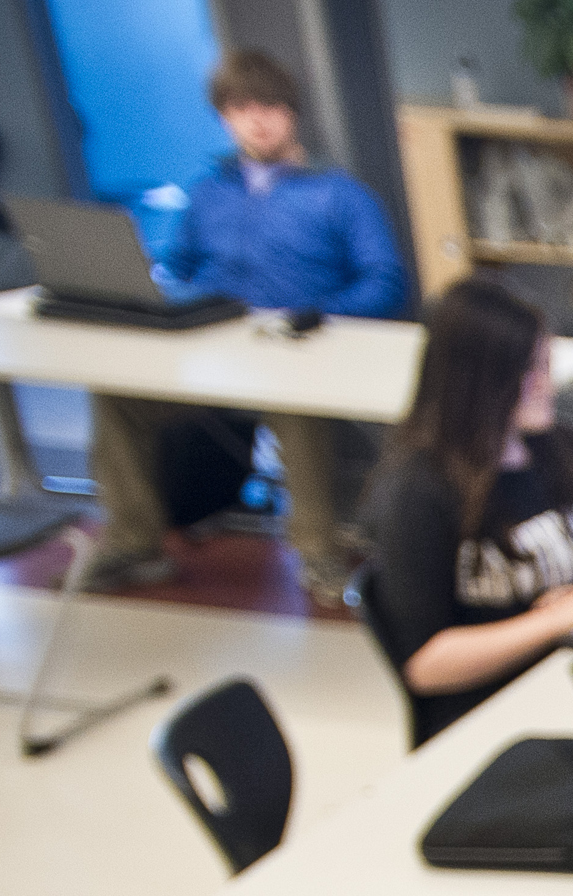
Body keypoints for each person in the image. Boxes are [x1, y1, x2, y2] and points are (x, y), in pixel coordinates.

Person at [80, 48, 409, 606]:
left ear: (293, 113)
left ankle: (318, 552)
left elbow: (385, 280)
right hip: (214, 353)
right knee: (118, 394)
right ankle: (135, 541)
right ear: (225, 116)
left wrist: (324, 315)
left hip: (299, 353)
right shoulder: (209, 192)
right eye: (242, 108)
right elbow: (176, 266)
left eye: (272, 107)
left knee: (293, 405)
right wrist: (154, 291)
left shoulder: (337, 193)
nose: (258, 120)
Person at [360, 274, 573, 746]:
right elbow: (427, 665)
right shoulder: (418, 490)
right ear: (476, 383)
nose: (546, 384)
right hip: (497, 716)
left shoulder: (559, 445)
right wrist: (558, 618)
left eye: (546, 364)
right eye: (528, 371)